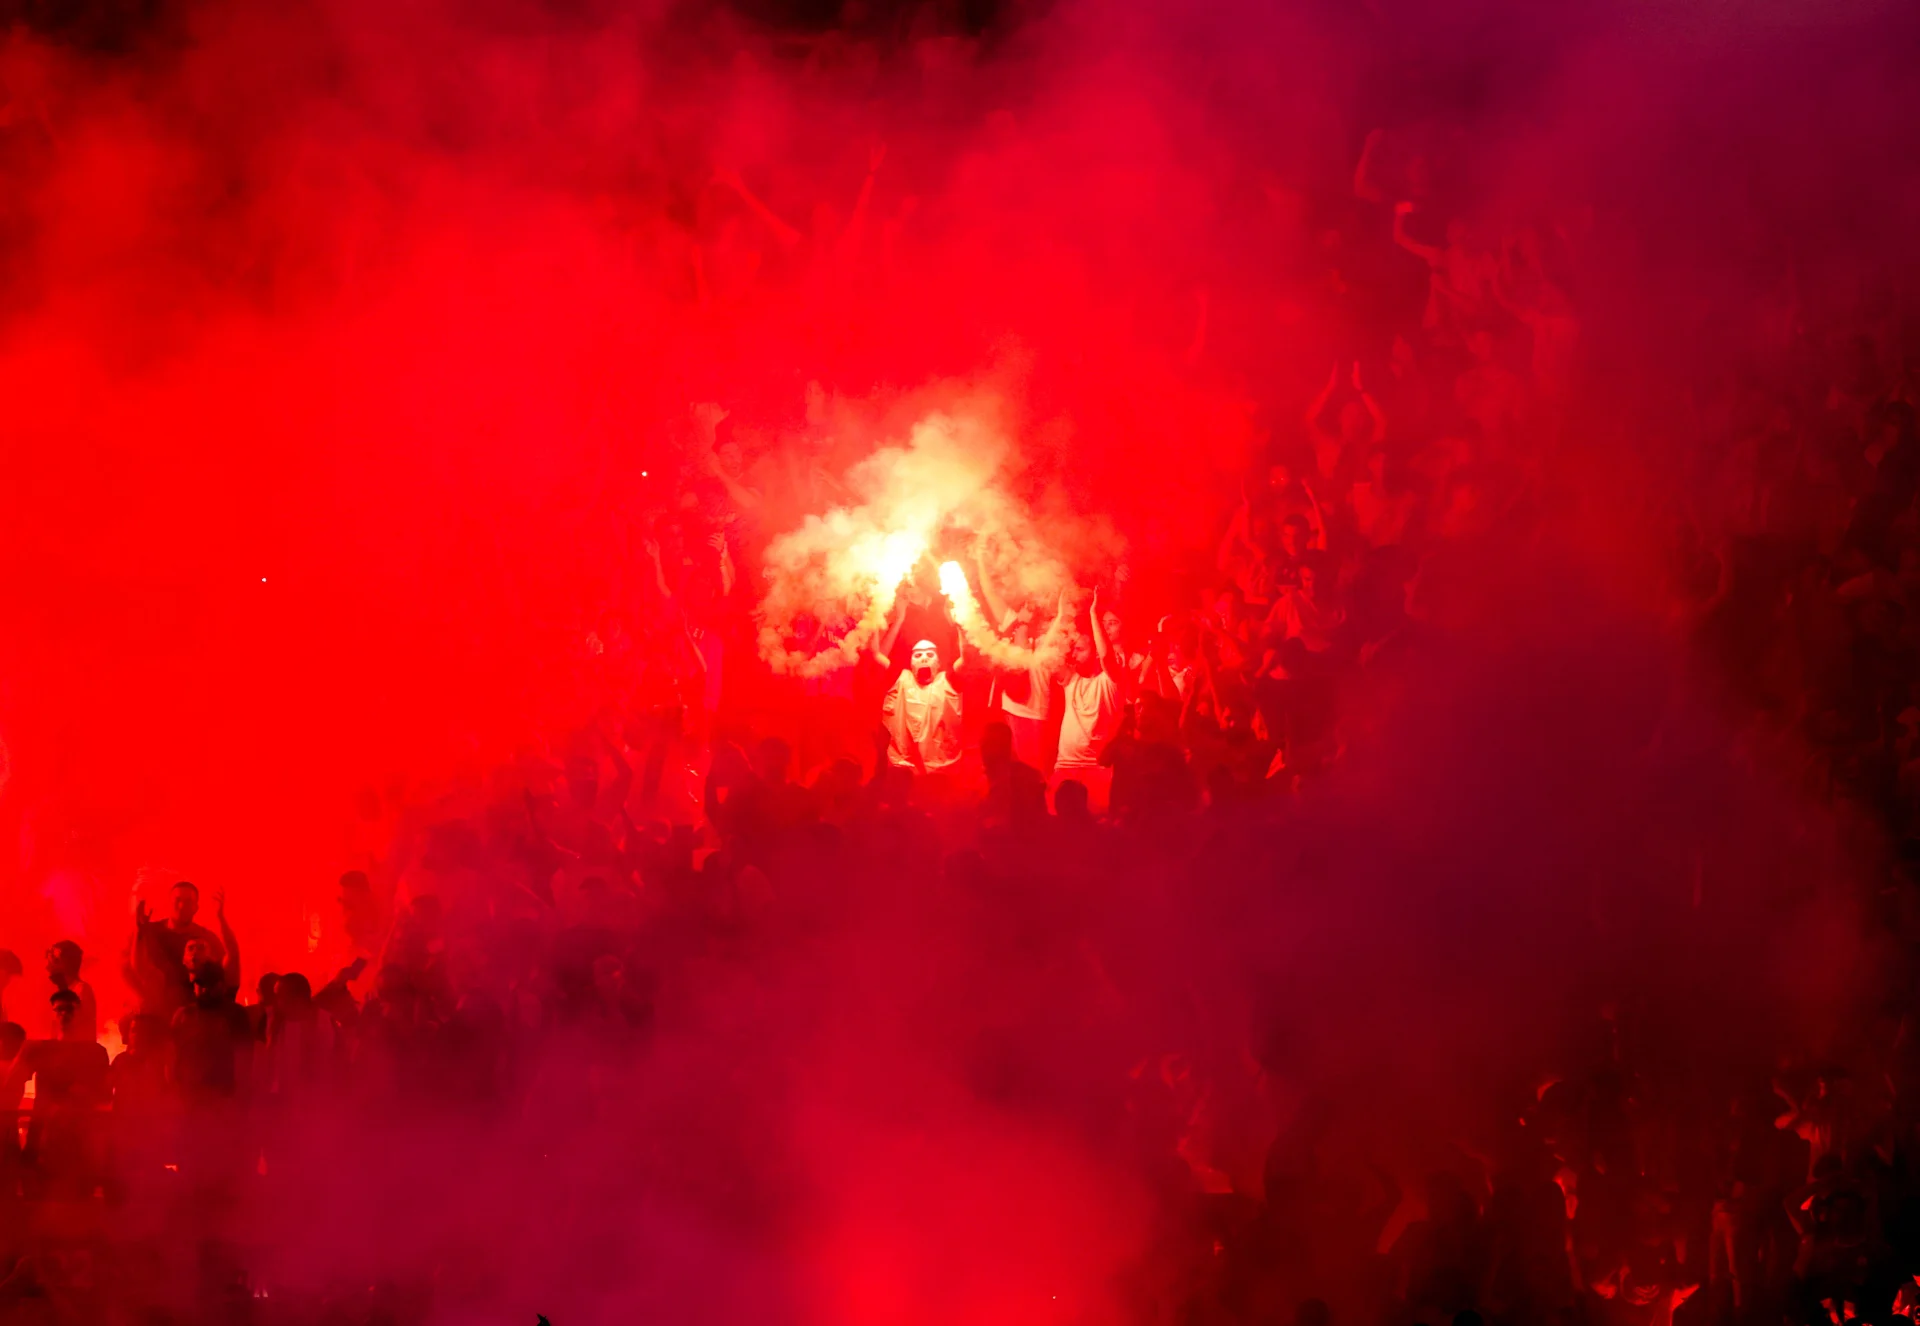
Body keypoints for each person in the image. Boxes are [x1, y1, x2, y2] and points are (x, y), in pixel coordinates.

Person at [876, 589, 967, 785]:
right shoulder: (902, 680)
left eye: (929, 654)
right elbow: (877, 655)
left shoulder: (947, 681)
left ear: (938, 662)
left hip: (941, 773)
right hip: (905, 772)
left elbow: (965, 659)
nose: (924, 657)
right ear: (910, 663)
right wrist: (890, 617)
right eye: (917, 655)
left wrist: (959, 625)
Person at [1053, 586, 1127, 813]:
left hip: (1097, 770)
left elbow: (1106, 657)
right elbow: (1050, 655)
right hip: (1065, 766)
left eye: (1080, 650)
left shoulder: (1111, 681)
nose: (1073, 655)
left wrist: (1094, 615)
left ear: (1094, 652)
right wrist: (1060, 618)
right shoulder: (1070, 681)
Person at [126, 881, 240, 1017]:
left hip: (199, 1016)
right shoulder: (148, 931)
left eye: (188, 902)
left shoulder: (207, 938)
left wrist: (220, 918)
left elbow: (231, 958)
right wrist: (140, 996)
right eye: (177, 900)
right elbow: (128, 966)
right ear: (169, 903)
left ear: (196, 907)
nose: (181, 906)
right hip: (157, 1014)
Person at [44, 940, 98, 1043]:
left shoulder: (82, 990)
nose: (48, 968)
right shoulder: (61, 992)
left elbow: (75, 1029)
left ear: (64, 964)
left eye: (53, 961)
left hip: (75, 1055)